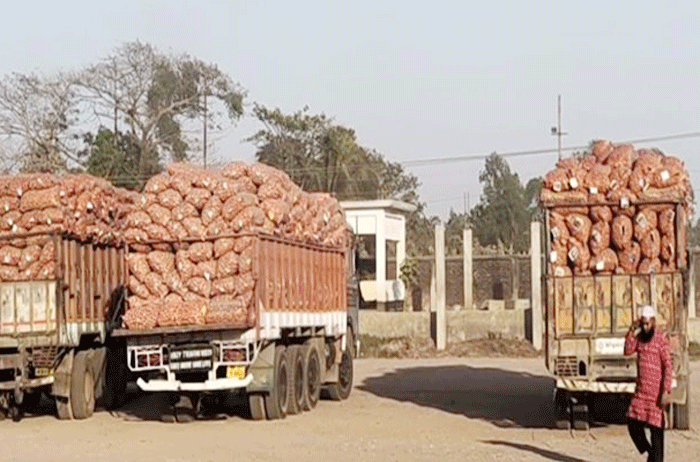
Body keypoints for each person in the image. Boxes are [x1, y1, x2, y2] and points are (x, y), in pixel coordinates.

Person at [624, 304, 673, 462]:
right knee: (632, 424)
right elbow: (627, 350)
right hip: (641, 394)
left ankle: (656, 457)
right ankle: (648, 451)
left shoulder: (661, 340)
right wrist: (631, 331)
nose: (645, 327)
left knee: (657, 433)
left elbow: (667, 366)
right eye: (642, 323)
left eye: (647, 323)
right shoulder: (639, 339)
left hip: (656, 395)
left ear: (653, 322)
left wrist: (666, 390)